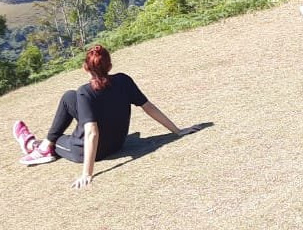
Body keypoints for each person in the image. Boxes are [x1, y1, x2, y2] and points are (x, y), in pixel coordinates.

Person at [11, 44, 197, 188]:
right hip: (117, 142)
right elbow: (148, 107)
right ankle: (43, 146)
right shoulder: (124, 80)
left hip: (87, 152)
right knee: (69, 97)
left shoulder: (85, 92)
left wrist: (87, 173)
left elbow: (92, 133)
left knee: (56, 138)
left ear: (86, 67)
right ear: (110, 65)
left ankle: (37, 146)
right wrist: (177, 131)